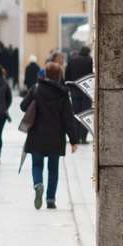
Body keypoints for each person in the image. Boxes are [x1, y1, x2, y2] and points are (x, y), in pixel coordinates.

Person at [22, 61, 81, 210]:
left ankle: (38, 184)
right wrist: (74, 140)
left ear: (46, 74)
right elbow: (68, 119)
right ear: (59, 76)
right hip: (56, 137)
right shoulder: (63, 94)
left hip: (36, 134)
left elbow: (23, 106)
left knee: (36, 164)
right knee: (53, 169)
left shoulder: (36, 89)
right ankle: (50, 199)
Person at [65, 45, 93, 143]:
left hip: (74, 90)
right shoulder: (90, 60)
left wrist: (68, 87)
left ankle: (75, 136)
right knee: (85, 113)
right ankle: (83, 137)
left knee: (76, 113)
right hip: (86, 90)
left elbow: (67, 74)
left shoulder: (72, 60)